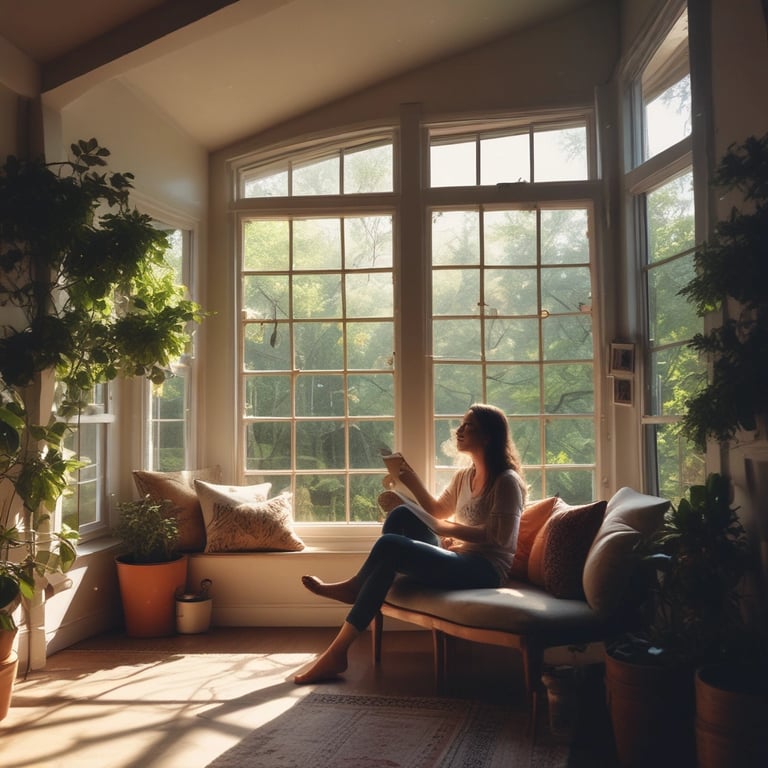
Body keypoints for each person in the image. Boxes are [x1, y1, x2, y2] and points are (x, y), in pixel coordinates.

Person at [294, 402, 527, 684]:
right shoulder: (465, 476)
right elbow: (438, 510)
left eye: (469, 426)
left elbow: (501, 537)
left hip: (485, 570)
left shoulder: (506, 482)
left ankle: (344, 629)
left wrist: (445, 529)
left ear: (488, 436)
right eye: (461, 424)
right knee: (401, 514)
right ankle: (347, 626)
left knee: (391, 546)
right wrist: (409, 479)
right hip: (458, 556)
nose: (459, 430)